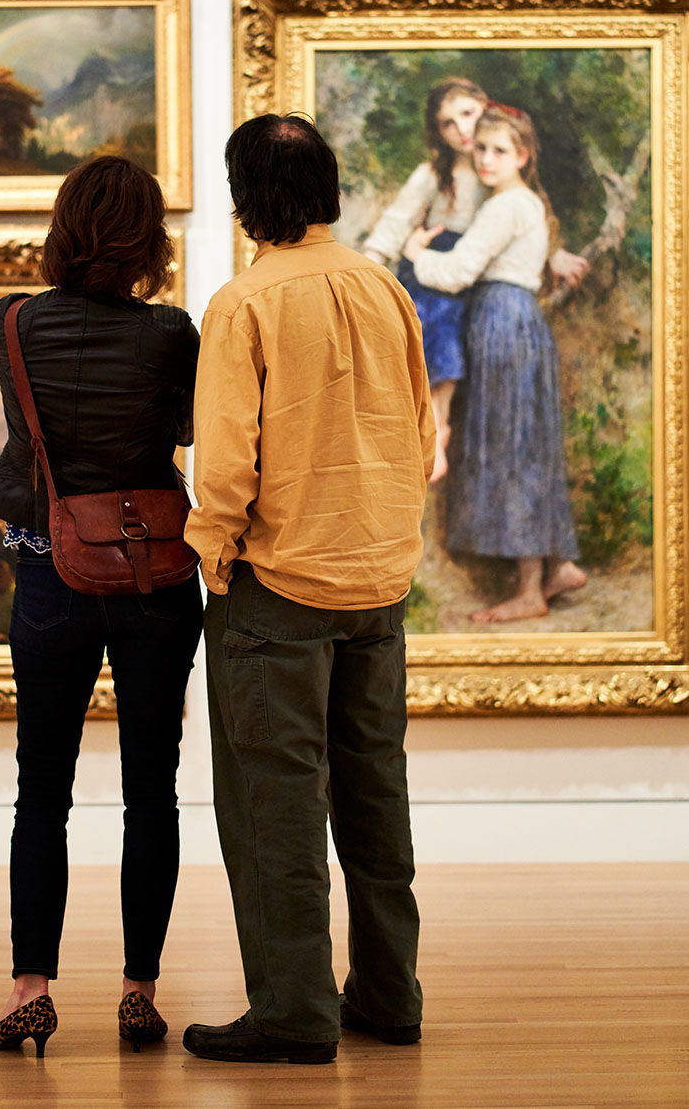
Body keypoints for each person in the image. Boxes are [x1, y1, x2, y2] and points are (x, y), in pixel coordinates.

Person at [181, 114, 435, 1064]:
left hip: (278, 587)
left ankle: (292, 1011)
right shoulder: (385, 287)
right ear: (327, 190)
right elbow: (420, 434)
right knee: (374, 791)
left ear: (246, 197)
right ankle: (387, 994)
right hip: (377, 577)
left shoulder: (241, 305)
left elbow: (227, 460)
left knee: (274, 805)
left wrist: (211, 551)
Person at [0, 156, 203, 1055]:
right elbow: (182, 431)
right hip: (154, 575)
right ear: (149, 240)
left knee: (43, 793)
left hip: (50, 567)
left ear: (64, 229)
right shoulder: (171, 330)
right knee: (153, 791)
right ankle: (139, 992)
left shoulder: (15, 319)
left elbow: (32, 432)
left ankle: (32, 987)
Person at [402, 104, 587, 622]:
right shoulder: (519, 202)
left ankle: (530, 589)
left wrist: (415, 255)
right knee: (526, 441)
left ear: (523, 155)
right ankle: (556, 565)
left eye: (499, 150)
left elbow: (459, 271)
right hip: (515, 320)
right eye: (480, 148)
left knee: (514, 447)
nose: (486, 158)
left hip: (502, 323)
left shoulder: (507, 205)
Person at [364, 77, 588, 483]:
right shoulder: (435, 173)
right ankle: (437, 430)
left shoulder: (499, 169)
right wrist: (370, 267)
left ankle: (443, 430)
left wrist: (553, 255)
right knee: (440, 325)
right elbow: (395, 224)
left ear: (486, 107)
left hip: (472, 279)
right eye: (449, 124)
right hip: (434, 272)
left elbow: (517, 227)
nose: (463, 130)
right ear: (439, 133)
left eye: (467, 114)